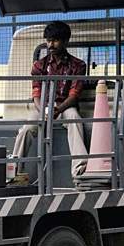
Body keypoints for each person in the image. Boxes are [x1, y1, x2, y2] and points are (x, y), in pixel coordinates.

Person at [12, 21, 88, 176]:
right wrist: (43, 111)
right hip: (43, 107)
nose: (50, 45)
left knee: (75, 119)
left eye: (55, 40)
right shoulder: (39, 66)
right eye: (48, 41)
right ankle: (13, 171)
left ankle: (80, 169)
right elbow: (36, 94)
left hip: (65, 107)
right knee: (26, 129)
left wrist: (58, 109)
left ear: (65, 41)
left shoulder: (78, 65)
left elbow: (74, 95)